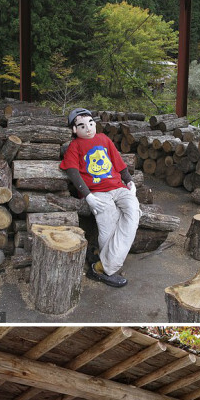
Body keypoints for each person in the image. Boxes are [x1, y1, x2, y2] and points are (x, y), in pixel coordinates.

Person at [60, 107, 140, 288]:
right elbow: (72, 170)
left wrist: (129, 181)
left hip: (119, 187)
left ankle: (101, 265)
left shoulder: (104, 139)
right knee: (108, 226)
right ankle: (105, 269)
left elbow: (118, 161)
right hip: (97, 193)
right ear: (74, 129)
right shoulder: (75, 146)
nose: (88, 128)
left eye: (90, 123)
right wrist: (87, 195)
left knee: (134, 213)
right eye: (82, 125)